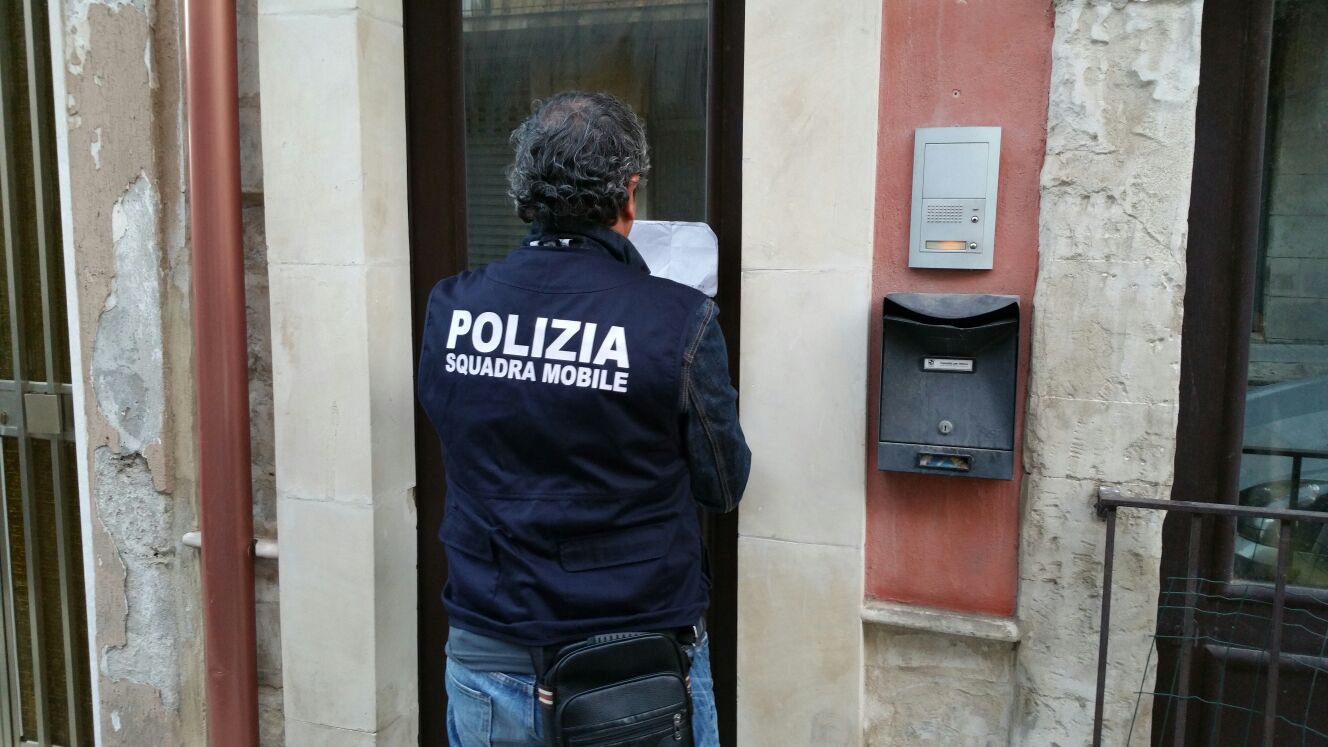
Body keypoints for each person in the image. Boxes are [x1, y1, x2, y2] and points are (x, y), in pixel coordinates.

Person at [417, 91, 751, 747]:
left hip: (492, 657)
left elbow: (468, 440)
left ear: (523, 193)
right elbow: (722, 484)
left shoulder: (450, 308)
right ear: (629, 195)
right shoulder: (678, 321)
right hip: (637, 667)